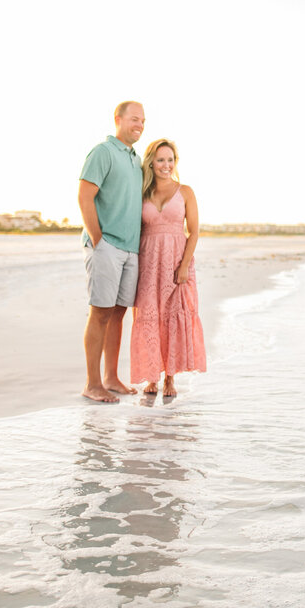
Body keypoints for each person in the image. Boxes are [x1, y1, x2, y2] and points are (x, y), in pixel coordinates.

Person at [77, 101, 146, 403]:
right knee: (100, 312)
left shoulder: (135, 159)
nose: (139, 125)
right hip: (106, 246)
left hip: (130, 249)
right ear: (117, 120)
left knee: (118, 314)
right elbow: (84, 195)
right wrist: (97, 239)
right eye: (134, 119)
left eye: (143, 121)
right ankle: (92, 384)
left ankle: (111, 378)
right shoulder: (102, 152)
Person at [130, 138, 206, 396]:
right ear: (151, 162)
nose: (166, 165)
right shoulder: (142, 192)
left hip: (176, 262)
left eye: (170, 160)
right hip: (148, 262)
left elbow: (194, 232)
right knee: (149, 318)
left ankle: (170, 379)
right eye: (160, 160)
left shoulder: (185, 192)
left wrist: (184, 266)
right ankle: (152, 377)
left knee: (173, 318)